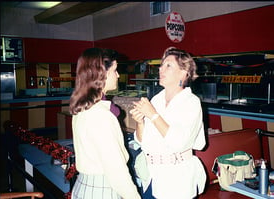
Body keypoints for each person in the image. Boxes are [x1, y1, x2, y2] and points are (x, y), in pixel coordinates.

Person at [129, 46, 207, 199]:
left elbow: (179, 142)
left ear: (184, 73)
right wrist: (140, 123)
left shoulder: (191, 103)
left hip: (177, 180)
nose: (161, 70)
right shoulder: (156, 100)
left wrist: (152, 115)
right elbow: (141, 140)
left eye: (168, 66)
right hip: (151, 176)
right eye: (161, 65)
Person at [69, 48, 141, 199]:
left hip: (84, 185)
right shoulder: (101, 116)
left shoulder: (83, 109)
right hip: (103, 189)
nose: (118, 75)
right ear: (102, 74)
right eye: (115, 70)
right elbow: (116, 171)